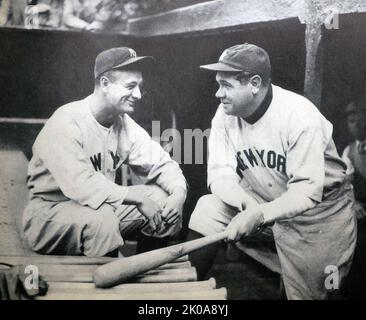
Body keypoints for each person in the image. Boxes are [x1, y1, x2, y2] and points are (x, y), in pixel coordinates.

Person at [187, 43, 356, 299]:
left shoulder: (299, 115)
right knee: (209, 209)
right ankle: (183, 291)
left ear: (254, 83)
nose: (218, 93)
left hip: (318, 219)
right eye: (218, 84)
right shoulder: (225, 114)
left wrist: (259, 214)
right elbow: (220, 174)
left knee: (308, 295)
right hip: (264, 202)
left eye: (226, 85)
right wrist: (245, 203)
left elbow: (306, 193)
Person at [22, 47, 187, 257]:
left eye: (140, 87)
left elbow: (162, 163)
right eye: (130, 86)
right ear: (105, 84)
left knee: (162, 201)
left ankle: (146, 270)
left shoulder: (123, 123)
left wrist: (178, 194)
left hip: (98, 210)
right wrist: (136, 197)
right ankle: (109, 283)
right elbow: (81, 185)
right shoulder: (66, 121)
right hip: (49, 216)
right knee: (103, 219)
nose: (138, 94)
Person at [341, 98, 366, 298]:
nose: (357, 126)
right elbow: (344, 185)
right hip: (358, 211)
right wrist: (354, 202)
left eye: (361, 120)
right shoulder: (348, 152)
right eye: (352, 122)